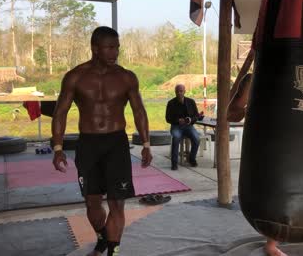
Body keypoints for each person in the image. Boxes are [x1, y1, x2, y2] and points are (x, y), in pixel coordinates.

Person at [51, 26, 153, 256]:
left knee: (118, 203)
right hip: (88, 144)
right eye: (109, 47)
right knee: (92, 203)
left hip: (116, 143)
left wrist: (146, 144)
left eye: (117, 47)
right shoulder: (75, 77)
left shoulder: (126, 77)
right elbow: (60, 112)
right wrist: (57, 148)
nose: (115, 52)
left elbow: (139, 111)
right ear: (95, 48)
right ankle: (102, 239)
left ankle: (112, 251)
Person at [228, 73, 286, 256]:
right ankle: (271, 243)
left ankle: (273, 242)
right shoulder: (255, 79)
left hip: (299, 144)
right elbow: (232, 113)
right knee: (272, 193)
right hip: (264, 145)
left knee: (289, 194)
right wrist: (255, 108)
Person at [165, 84, 201, 170]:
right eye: (177, 91)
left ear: (185, 91)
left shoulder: (191, 102)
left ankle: (191, 159)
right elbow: (168, 118)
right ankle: (174, 163)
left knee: (197, 138)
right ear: (175, 92)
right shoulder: (171, 103)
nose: (179, 93)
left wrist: (190, 120)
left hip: (188, 126)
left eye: (181, 91)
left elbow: (196, 116)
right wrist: (177, 121)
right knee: (176, 138)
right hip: (176, 126)